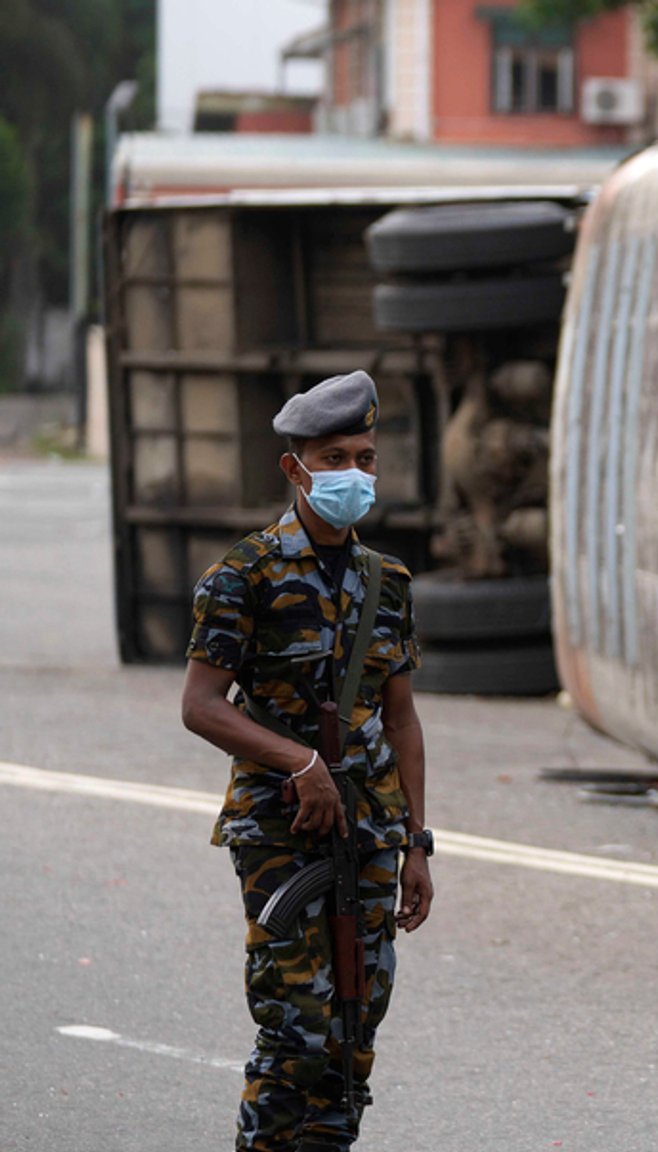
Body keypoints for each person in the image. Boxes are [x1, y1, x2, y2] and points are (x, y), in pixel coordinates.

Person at [179, 370, 435, 1152]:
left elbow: (401, 717)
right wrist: (297, 761)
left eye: (364, 456)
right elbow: (201, 705)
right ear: (295, 470)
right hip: (280, 831)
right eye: (334, 458)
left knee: (354, 1034)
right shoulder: (243, 576)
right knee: (297, 1033)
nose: (353, 473)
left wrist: (417, 843)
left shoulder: (385, 582)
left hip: (370, 831)